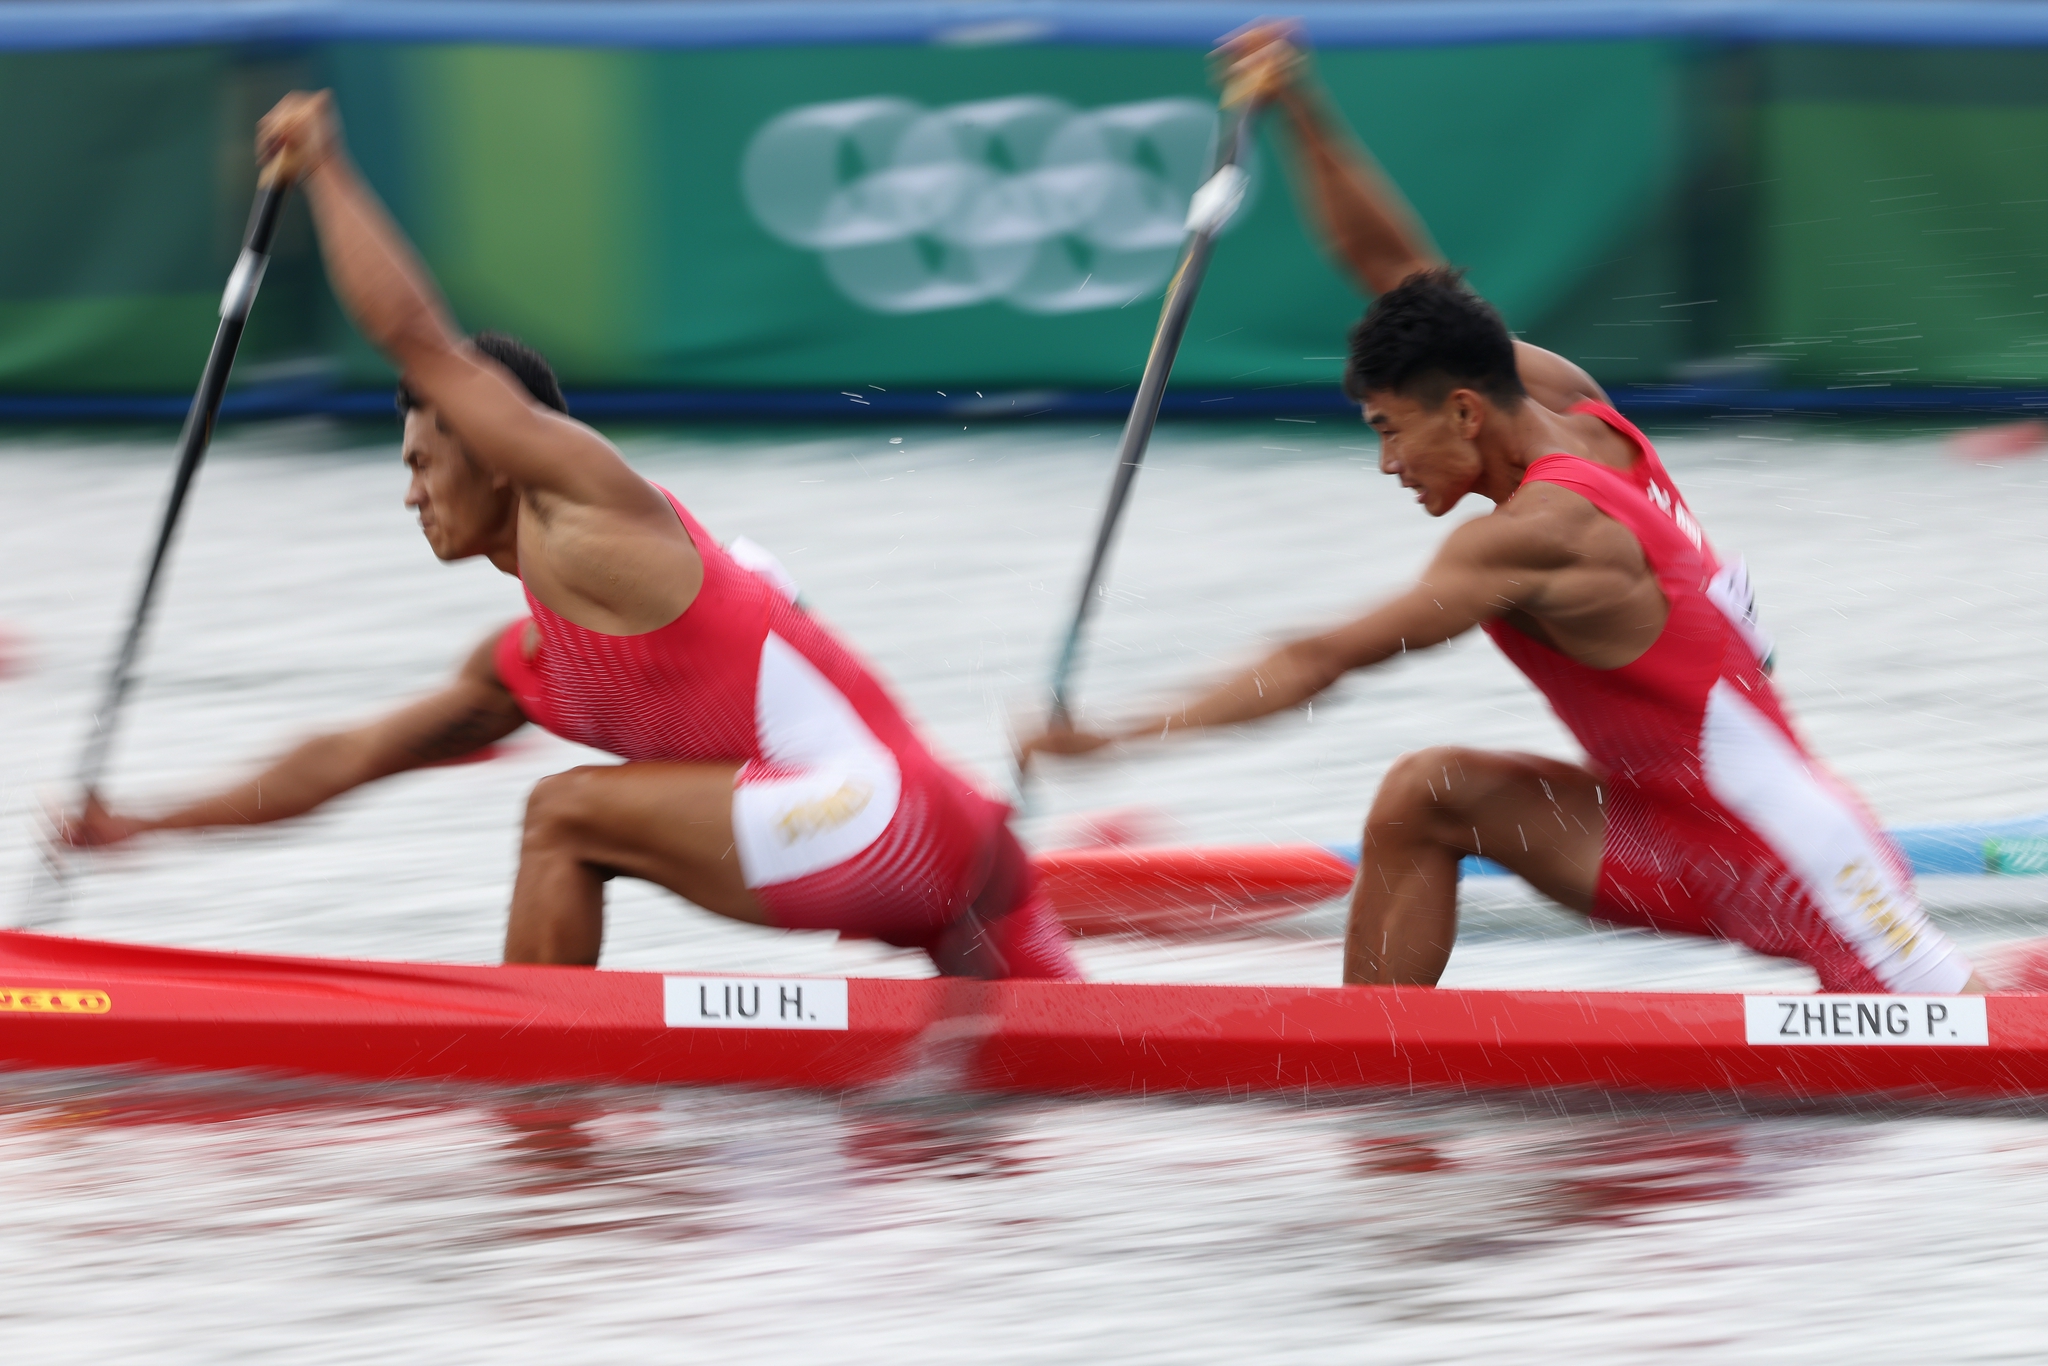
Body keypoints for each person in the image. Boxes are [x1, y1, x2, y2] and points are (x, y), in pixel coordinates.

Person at [1019, 33, 1981, 994]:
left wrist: (1113, 738)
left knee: (1970, 1050)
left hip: (1797, 865)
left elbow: (1324, 659)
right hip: (1666, 825)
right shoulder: (1566, 406)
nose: (1389, 463)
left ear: (1466, 412)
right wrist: (1296, 100)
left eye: (1392, 432)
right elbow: (1399, 272)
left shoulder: (1534, 536)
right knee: (1427, 795)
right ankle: (1373, 1073)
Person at [63, 91, 1079, 982]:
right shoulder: (530, 659)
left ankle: (539, 1119)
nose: (410, 493)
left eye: (423, 461)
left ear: (503, 450)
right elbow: (349, 756)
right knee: (1060, 1083)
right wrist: (147, 824)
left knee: (563, 815)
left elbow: (421, 339)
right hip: (967, 856)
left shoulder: (591, 507)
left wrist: (324, 163)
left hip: (881, 823)